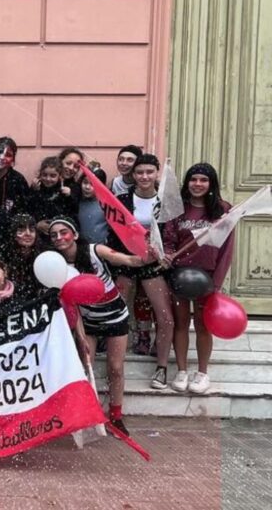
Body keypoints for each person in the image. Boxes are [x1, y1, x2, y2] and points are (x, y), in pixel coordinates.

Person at [49, 217, 156, 435]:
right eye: (54, 235)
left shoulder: (94, 250)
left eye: (64, 232)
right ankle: (86, 414)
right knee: (83, 366)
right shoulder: (56, 266)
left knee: (115, 368)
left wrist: (148, 258)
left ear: (75, 235)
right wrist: (80, 337)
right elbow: (72, 307)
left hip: (115, 316)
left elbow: (128, 261)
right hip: (88, 321)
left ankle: (116, 416)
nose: (59, 238)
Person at [162, 163, 234, 394]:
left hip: (206, 279)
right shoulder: (177, 209)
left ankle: (202, 373)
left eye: (203, 180)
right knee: (181, 324)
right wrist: (167, 255)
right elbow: (169, 239)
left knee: (204, 326)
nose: (198, 184)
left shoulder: (223, 211)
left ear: (211, 183)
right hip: (180, 277)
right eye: (193, 180)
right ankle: (182, 371)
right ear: (187, 183)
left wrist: (217, 282)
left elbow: (226, 248)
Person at [111, 154, 176, 390]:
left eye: (149, 172)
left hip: (153, 263)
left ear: (157, 173)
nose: (144, 176)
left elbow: (172, 232)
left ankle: (161, 368)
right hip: (127, 260)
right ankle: (112, 362)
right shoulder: (121, 199)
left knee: (165, 315)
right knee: (114, 311)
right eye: (140, 172)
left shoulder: (165, 200)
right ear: (133, 175)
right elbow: (114, 233)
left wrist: (167, 252)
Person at [19, 156, 77, 233]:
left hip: (59, 234)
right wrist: (36, 224)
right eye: (44, 175)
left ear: (60, 176)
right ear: (40, 174)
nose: (48, 179)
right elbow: (27, 211)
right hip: (38, 234)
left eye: (53, 176)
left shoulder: (64, 192)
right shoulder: (35, 190)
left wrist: (70, 196)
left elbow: (72, 214)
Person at [5, 214, 45, 299]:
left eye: (32, 230)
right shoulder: (5, 257)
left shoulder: (44, 255)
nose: (28, 234)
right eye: (21, 231)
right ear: (13, 234)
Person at [77, 167, 110, 244]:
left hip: (102, 249)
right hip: (83, 248)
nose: (87, 187)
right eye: (85, 182)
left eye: (93, 184)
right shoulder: (77, 202)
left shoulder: (107, 205)